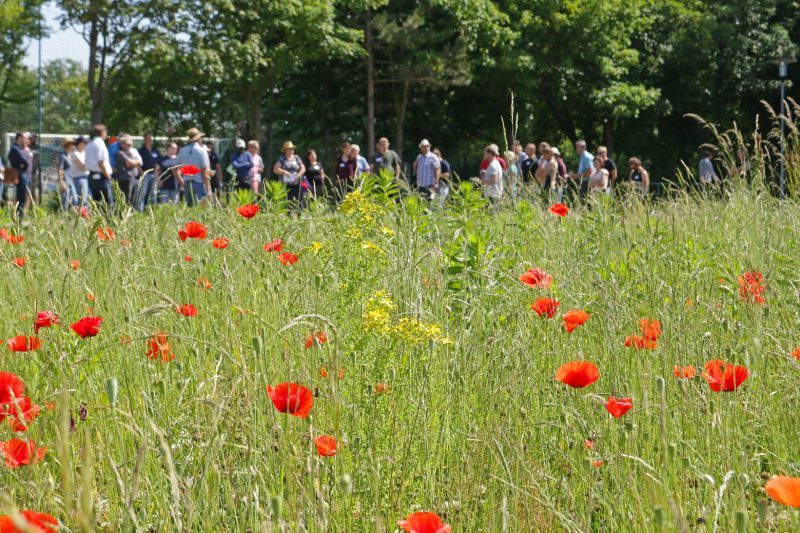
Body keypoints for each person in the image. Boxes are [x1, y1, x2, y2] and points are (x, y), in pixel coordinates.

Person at [177, 127, 211, 206]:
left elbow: (177, 169)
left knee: (190, 209)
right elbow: (205, 171)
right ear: (199, 138)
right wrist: (208, 189)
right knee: (202, 209)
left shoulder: (182, 150)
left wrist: (182, 183)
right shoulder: (201, 151)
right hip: (198, 183)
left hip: (187, 183)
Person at [85, 124, 114, 210]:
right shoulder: (100, 144)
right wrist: (108, 176)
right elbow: (101, 162)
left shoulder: (90, 144)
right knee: (108, 203)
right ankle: (108, 221)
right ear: (102, 132)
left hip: (92, 175)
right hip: (102, 177)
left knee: (95, 202)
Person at [7, 132, 32, 217]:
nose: (25, 140)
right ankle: (19, 219)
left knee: (21, 198)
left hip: (20, 174)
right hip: (21, 175)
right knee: (21, 199)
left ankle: (19, 217)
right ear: (19, 138)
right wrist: (21, 168)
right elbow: (25, 163)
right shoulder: (15, 149)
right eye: (24, 138)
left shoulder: (17, 149)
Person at [273, 141, 306, 206]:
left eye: (292, 148)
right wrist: (285, 172)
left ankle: (299, 214)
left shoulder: (296, 158)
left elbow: (303, 168)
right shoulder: (282, 158)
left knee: (299, 199)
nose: (291, 150)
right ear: (285, 150)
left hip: (296, 183)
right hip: (285, 184)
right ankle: (287, 214)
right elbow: (275, 169)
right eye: (289, 149)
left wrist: (298, 175)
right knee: (286, 200)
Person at [114, 135, 142, 205]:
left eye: (130, 144)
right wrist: (136, 162)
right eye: (128, 144)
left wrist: (135, 162)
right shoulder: (120, 153)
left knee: (132, 200)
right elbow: (129, 163)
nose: (130, 145)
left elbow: (139, 162)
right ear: (122, 144)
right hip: (125, 180)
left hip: (133, 179)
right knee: (126, 200)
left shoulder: (129, 152)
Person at [137, 134, 161, 210]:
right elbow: (138, 163)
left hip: (154, 174)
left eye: (151, 138)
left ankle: (152, 210)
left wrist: (158, 170)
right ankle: (140, 210)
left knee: (154, 193)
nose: (150, 140)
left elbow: (159, 161)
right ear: (144, 140)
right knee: (142, 193)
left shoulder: (155, 150)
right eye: (148, 138)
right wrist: (141, 172)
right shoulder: (141, 150)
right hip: (144, 174)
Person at [57, 138, 77, 211]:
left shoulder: (70, 155)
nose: (73, 146)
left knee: (75, 199)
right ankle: (64, 216)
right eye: (71, 144)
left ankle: (73, 215)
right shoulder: (62, 155)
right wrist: (61, 182)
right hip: (65, 180)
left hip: (71, 180)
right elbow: (59, 169)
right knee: (65, 200)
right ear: (67, 145)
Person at [71, 136, 89, 207]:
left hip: (86, 177)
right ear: (80, 143)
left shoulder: (84, 152)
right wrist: (92, 165)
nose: (86, 144)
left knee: (87, 199)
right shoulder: (75, 153)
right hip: (79, 178)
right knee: (82, 200)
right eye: (85, 143)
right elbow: (82, 167)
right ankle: (80, 216)